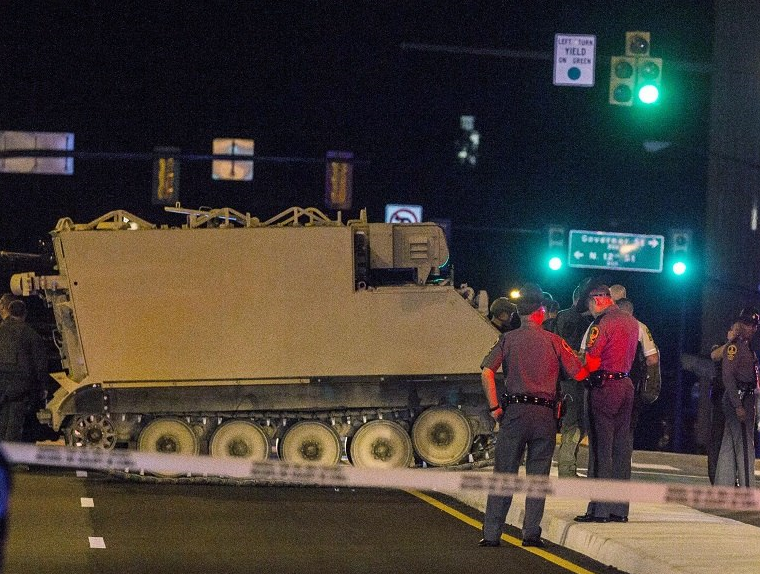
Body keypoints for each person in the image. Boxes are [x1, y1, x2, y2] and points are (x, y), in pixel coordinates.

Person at [478, 283, 588, 548]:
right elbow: (579, 374)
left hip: (514, 413)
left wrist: (494, 408)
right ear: (540, 311)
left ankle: (492, 534)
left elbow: (486, 371)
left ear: (518, 312)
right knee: (537, 478)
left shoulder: (508, 339)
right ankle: (530, 533)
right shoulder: (554, 341)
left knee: (504, 475)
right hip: (545, 416)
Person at [574, 284, 639, 523]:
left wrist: (581, 371)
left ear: (597, 300)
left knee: (602, 449)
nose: (590, 310)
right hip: (626, 385)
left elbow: (592, 359)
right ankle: (619, 510)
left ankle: (599, 510)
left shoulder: (602, 324)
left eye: (590, 305)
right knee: (622, 450)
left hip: (604, 387)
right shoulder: (632, 322)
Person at [714, 309, 759, 487]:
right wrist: (738, 405)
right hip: (739, 398)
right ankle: (748, 490)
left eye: (754, 325)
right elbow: (728, 377)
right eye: (747, 324)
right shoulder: (735, 346)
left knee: (729, 444)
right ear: (740, 325)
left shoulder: (747, 346)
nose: (751, 328)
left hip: (745, 397)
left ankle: (723, 487)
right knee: (745, 446)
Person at [553, 282, 593, 478]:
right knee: (574, 423)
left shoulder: (560, 316)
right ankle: (567, 468)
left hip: (564, 377)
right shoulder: (584, 321)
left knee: (573, 422)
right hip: (576, 378)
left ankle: (568, 466)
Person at [0, 299, 49, 442]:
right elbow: (40, 363)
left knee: (2, 423)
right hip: (20, 388)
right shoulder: (31, 334)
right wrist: (43, 386)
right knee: (14, 426)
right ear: (25, 314)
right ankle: (11, 460)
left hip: (1, 385)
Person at [615, 298, 661, 442]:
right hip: (631, 383)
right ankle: (622, 462)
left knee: (606, 426)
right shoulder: (640, 327)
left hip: (606, 383)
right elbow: (653, 358)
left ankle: (603, 464)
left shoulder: (603, 323)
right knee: (627, 427)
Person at [708, 321, 741, 484]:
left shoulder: (744, 348)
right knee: (717, 438)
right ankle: (715, 478)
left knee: (735, 440)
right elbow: (715, 356)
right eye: (735, 330)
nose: (737, 333)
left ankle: (732, 478)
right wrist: (730, 343)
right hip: (720, 397)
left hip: (737, 399)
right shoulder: (722, 344)